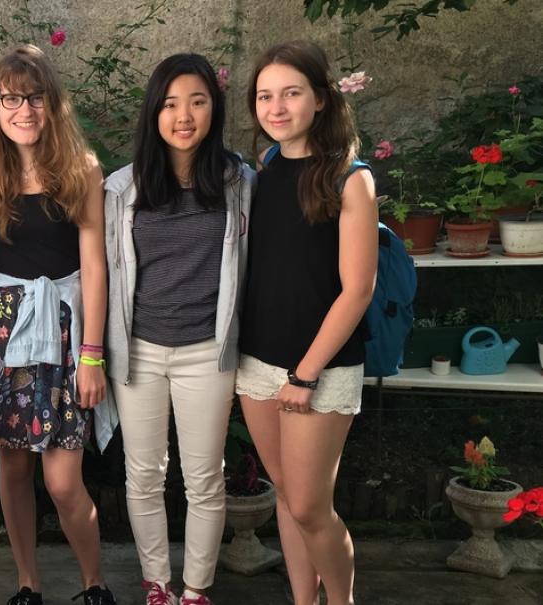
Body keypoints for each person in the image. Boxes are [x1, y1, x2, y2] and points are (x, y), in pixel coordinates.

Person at [0, 44, 117, 605]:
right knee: (12, 467)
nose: (23, 109)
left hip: (65, 332)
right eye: (10, 98)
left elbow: (94, 263)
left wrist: (93, 353)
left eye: (34, 97)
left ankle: (93, 584)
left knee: (62, 480)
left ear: (52, 103)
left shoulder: (81, 169)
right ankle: (28, 584)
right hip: (1, 334)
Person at [103, 53, 255, 605]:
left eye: (197, 100)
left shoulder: (240, 183)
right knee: (142, 476)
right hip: (139, 351)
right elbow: (103, 272)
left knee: (204, 478)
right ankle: (156, 586)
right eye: (170, 103)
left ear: (214, 108)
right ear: (154, 113)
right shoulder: (122, 189)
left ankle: (195, 590)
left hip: (207, 352)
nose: (184, 115)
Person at [237, 40, 377, 605]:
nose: (276, 107)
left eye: (291, 93)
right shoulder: (265, 169)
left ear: (320, 99)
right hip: (258, 364)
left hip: (318, 370)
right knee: (285, 500)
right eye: (265, 96)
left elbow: (357, 289)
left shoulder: (350, 178)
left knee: (310, 506)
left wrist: (306, 373)